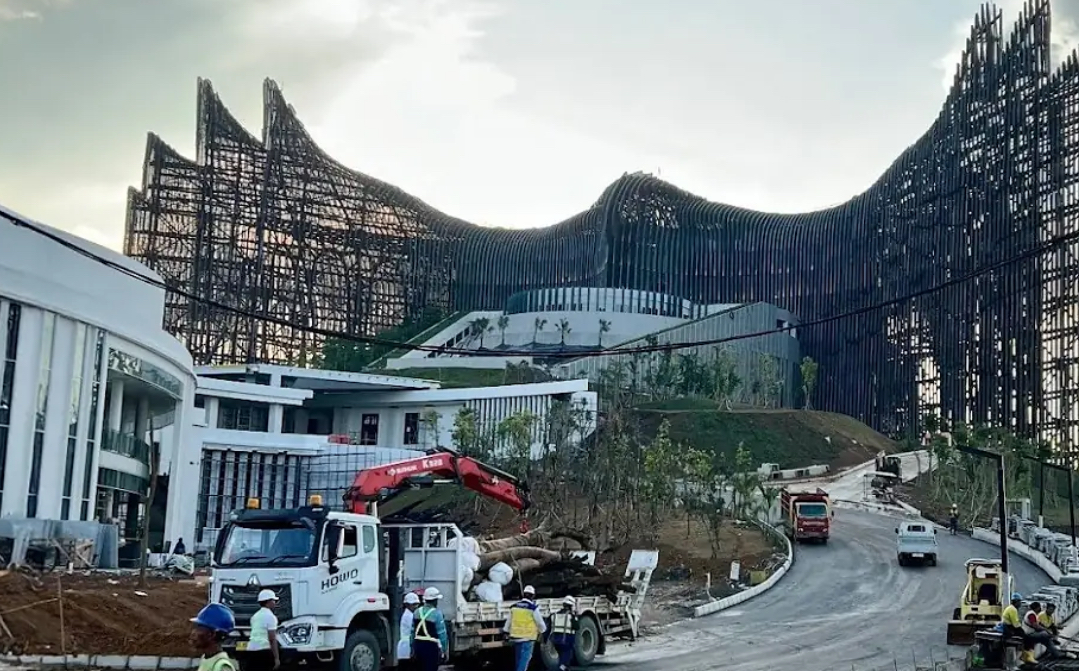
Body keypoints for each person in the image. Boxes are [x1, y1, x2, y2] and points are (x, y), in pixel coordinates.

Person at [503, 585, 547, 671]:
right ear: (533, 596)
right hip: (528, 638)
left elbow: (509, 621)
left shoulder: (514, 607)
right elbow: (540, 623)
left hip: (516, 637)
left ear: (524, 594)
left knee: (518, 659)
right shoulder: (533, 608)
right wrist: (543, 632)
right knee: (524, 661)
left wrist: (505, 631)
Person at [189, 603, 239, 671]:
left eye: (199, 629)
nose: (193, 633)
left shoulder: (221, 666)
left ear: (212, 634)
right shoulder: (206, 658)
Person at [412, 587, 448, 671]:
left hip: (418, 645)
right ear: (435, 600)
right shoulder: (437, 614)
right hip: (431, 647)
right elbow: (442, 634)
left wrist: (412, 648)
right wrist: (444, 650)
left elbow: (412, 632)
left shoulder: (416, 612)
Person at [248, 589, 280, 670]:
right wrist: (276, 658)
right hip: (264, 651)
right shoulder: (270, 617)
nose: (275, 603)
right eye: (273, 600)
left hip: (251, 650)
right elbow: (272, 639)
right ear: (268, 602)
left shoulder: (255, 616)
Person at [549, 596, 579, 671]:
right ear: (571, 606)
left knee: (561, 657)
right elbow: (577, 627)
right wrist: (576, 616)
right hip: (566, 640)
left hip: (556, 640)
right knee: (566, 660)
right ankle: (562, 668)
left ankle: (562, 667)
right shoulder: (571, 616)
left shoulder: (554, 614)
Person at [396, 592, 421, 667]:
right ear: (407, 605)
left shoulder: (409, 614)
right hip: (406, 647)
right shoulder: (409, 616)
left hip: (405, 647)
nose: (416, 606)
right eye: (413, 604)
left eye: (416, 604)